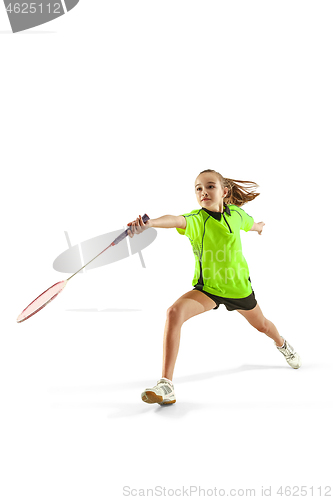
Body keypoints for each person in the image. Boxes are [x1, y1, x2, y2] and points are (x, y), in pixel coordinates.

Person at [127, 169, 301, 405]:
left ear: (224, 191)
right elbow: (177, 220)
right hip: (208, 289)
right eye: (198, 188)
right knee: (174, 313)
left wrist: (259, 227)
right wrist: (150, 224)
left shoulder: (237, 215)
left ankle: (282, 344)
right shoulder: (197, 221)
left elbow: (249, 224)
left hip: (239, 289)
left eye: (210, 186)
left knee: (263, 326)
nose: (203, 192)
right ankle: (166, 385)